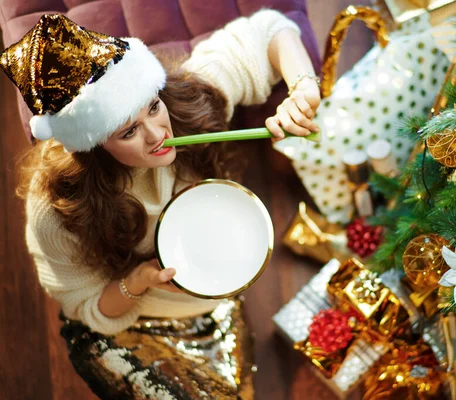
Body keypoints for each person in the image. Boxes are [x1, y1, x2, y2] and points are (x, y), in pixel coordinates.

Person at [0, 10, 320, 399]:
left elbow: (271, 29)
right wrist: (139, 282)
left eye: (152, 106)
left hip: (206, 288)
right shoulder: (55, 205)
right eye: (129, 131)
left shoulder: (185, 100)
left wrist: (302, 89)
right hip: (122, 320)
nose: (157, 135)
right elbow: (83, 303)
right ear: (93, 143)